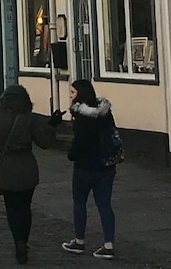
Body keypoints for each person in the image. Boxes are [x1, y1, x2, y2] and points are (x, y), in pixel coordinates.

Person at [0, 84, 63, 265]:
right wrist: (52, 125)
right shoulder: (30, 120)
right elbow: (44, 143)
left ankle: (17, 240)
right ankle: (23, 241)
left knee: (11, 208)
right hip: (27, 167)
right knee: (25, 207)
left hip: (8, 168)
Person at [61, 78, 118, 260]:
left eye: (72, 92)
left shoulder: (83, 118)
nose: (70, 96)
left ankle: (79, 241)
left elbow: (80, 143)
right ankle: (109, 244)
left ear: (80, 94)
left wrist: (71, 154)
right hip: (106, 165)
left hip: (86, 167)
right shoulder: (105, 113)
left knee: (79, 203)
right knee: (105, 204)